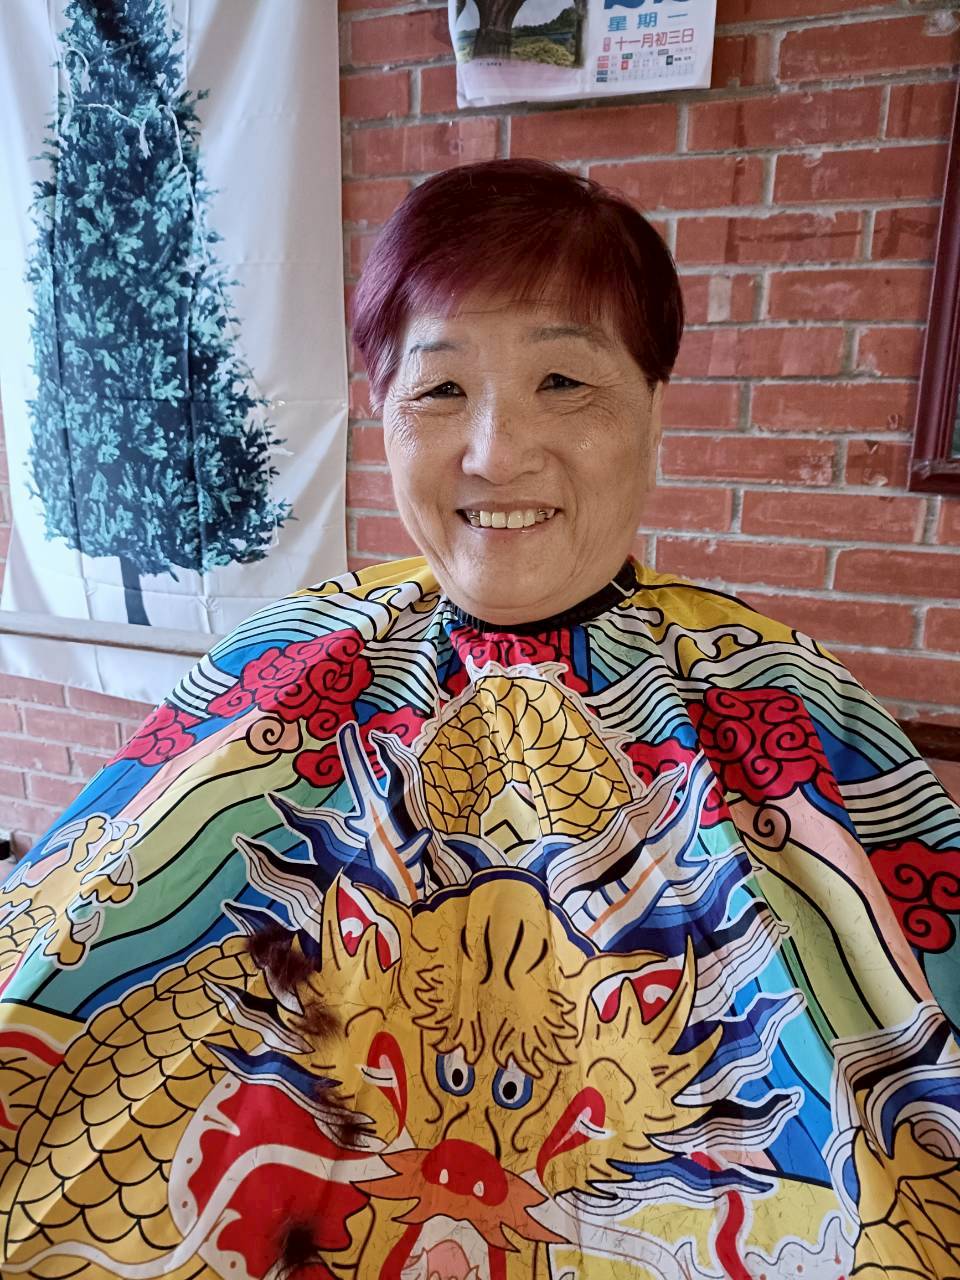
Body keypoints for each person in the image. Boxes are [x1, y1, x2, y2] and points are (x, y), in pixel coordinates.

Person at [1, 158, 958, 1280]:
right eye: (441, 390)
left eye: (564, 381)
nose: (497, 452)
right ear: (384, 412)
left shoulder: (780, 702)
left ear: (655, 406)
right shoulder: (280, 664)